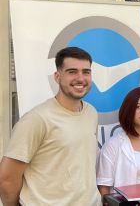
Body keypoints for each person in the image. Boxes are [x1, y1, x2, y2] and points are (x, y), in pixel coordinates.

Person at [0, 47, 101, 205]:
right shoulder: (36, 119)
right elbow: (7, 178)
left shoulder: (91, 113)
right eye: (72, 71)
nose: (81, 78)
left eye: (86, 72)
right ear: (57, 76)